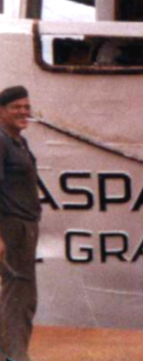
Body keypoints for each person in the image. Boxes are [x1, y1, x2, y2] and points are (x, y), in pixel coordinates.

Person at [0, 86, 40, 361]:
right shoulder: (1, 141)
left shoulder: (17, 141)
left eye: (26, 107)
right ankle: (15, 356)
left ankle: (8, 352)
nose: (24, 112)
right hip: (12, 227)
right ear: (1, 111)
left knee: (18, 292)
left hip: (24, 226)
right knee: (20, 295)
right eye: (17, 107)